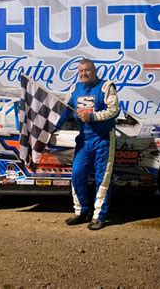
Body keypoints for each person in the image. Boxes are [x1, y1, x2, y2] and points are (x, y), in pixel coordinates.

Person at [56, 58, 120, 230]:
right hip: (84, 139)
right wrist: (52, 128)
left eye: (87, 70)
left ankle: (99, 216)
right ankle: (81, 211)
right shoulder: (75, 89)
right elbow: (65, 112)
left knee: (103, 178)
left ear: (94, 70)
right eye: (81, 71)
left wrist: (93, 116)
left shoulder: (106, 86)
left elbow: (114, 111)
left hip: (103, 139)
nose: (83, 74)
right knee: (77, 174)